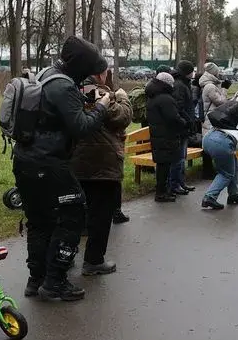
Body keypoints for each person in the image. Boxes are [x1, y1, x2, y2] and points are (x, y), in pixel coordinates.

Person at [14, 35, 112, 302]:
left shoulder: (47, 74)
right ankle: (55, 280)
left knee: (38, 220)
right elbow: (81, 127)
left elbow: (54, 112)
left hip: (25, 159)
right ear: (81, 66)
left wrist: (81, 97)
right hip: (49, 162)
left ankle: (36, 279)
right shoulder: (63, 86)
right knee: (73, 215)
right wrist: (101, 106)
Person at [70, 70, 133, 276]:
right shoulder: (97, 92)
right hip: (102, 163)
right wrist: (122, 97)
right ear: (99, 73)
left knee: (73, 214)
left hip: (75, 161)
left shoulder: (71, 90)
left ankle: (65, 257)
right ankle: (94, 260)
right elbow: (121, 118)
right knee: (101, 214)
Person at [145, 71, 188, 202]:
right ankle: (162, 193)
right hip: (167, 136)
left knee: (162, 165)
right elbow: (173, 118)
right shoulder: (166, 99)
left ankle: (162, 191)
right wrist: (184, 123)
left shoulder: (152, 96)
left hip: (158, 135)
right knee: (165, 166)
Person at [170, 61, 199, 195]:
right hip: (181, 127)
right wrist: (187, 121)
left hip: (185, 126)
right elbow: (179, 107)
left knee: (182, 157)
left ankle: (180, 182)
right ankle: (175, 184)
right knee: (179, 158)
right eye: (191, 71)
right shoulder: (179, 86)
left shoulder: (183, 84)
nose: (193, 73)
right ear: (187, 72)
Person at [200, 62, 229, 135]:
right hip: (211, 117)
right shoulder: (210, 86)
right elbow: (220, 102)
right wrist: (224, 89)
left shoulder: (209, 84)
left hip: (210, 116)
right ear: (214, 72)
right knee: (210, 138)